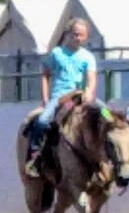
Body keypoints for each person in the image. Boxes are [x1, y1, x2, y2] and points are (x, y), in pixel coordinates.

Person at [27, 17, 99, 175]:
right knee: (42, 120)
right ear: (68, 34)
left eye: (81, 35)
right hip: (61, 98)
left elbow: (92, 79)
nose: (77, 38)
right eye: (75, 34)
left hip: (80, 97)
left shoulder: (88, 57)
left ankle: (109, 160)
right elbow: (45, 74)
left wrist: (89, 92)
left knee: (105, 113)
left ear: (86, 36)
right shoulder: (56, 53)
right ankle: (34, 157)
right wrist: (45, 97)